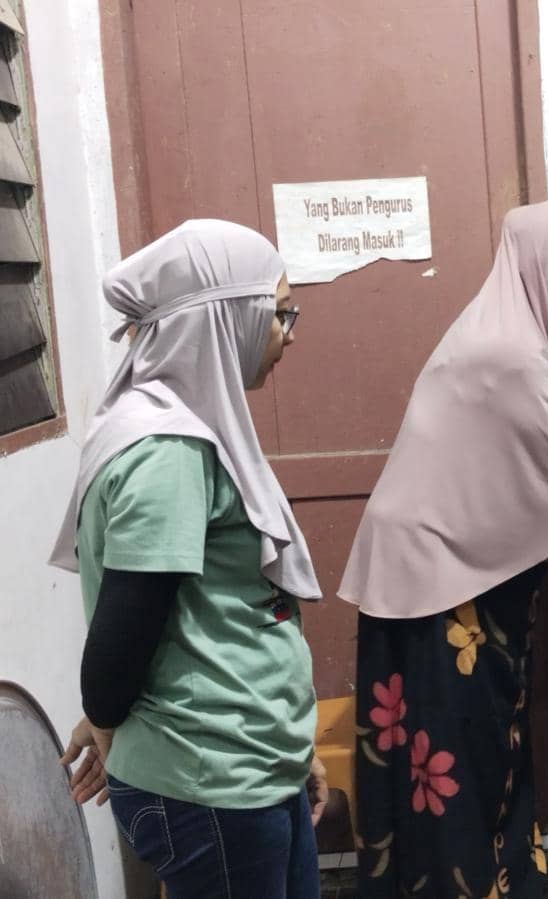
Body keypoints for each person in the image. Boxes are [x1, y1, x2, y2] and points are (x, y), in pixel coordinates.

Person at [338, 200, 548, 898]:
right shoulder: (510, 354)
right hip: (436, 590)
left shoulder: (510, 337)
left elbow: (542, 474)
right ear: (544, 273)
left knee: (479, 751)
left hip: (449, 577)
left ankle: (486, 880)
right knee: (450, 761)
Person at [51, 219, 329, 898]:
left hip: (246, 768)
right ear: (225, 319)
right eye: (279, 312)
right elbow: (117, 653)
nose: (289, 331)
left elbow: (183, 619)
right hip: (214, 785)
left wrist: (292, 750)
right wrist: (110, 715)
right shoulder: (168, 452)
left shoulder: (185, 433)